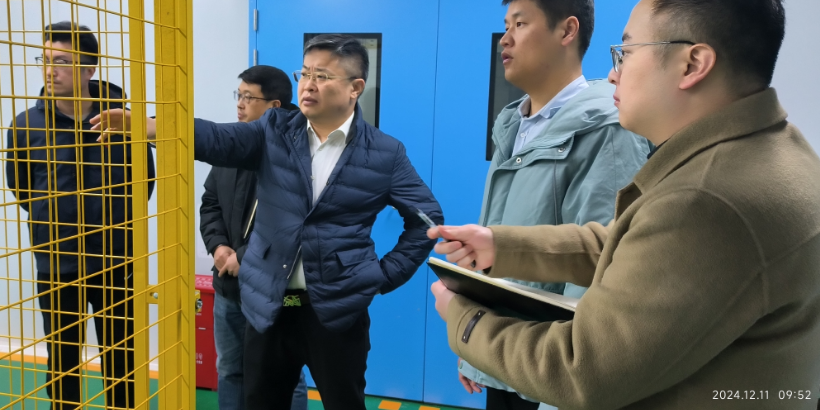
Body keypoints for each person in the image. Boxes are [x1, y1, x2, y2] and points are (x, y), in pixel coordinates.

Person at [428, 0, 820, 408]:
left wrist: (464, 319)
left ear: (692, 64)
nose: (613, 73)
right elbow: (635, 246)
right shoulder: (771, 153)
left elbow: (584, 370)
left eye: (626, 53)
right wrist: (502, 246)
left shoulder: (706, 200)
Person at [91, 34, 443, 410]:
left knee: (344, 402)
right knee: (260, 400)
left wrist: (381, 276)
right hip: (271, 305)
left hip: (336, 310)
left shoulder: (385, 153)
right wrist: (155, 127)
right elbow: (219, 138)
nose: (308, 84)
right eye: (305, 73)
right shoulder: (274, 129)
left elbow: (426, 219)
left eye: (322, 76)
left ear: (355, 87)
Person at [458, 0, 650, 408]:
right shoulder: (513, 125)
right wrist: (472, 345)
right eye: (505, 25)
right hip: (501, 352)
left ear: (567, 31)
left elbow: (597, 271)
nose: (504, 39)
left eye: (520, 24)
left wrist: (560, 396)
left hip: (548, 370)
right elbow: (496, 232)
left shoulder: (605, 128)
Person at [5, 22, 156, 410]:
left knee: (122, 357)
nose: (49, 70)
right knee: (62, 360)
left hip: (116, 259)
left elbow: (145, 182)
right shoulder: (25, 125)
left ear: (89, 69)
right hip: (57, 262)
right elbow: (22, 188)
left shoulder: (125, 121)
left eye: (61, 61)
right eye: (45, 60)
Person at [199, 65, 308, 410]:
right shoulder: (230, 146)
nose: (240, 104)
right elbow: (210, 203)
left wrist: (242, 257)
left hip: (276, 291)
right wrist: (218, 247)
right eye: (239, 95)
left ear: (274, 106)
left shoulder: (297, 154)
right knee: (230, 369)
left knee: (286, 375)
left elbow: (294, 222)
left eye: (249, 97)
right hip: (229, 286)